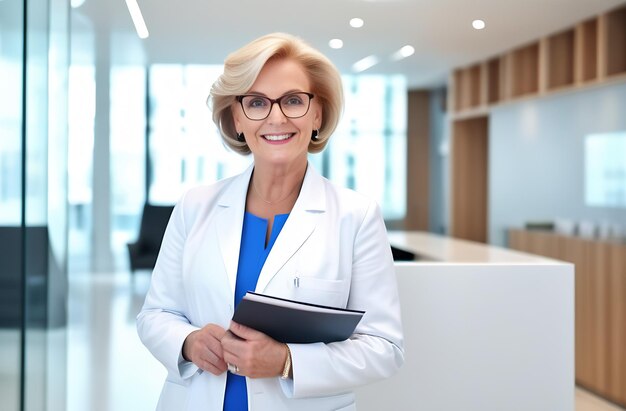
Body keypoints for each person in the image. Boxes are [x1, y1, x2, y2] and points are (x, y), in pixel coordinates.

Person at [137, 32, 404, 411]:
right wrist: (188, 342)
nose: (276, 117)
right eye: (257, 103)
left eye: (294, 100)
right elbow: (155, 314)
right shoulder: (195, 206)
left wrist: (285, 361)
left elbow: (384, 347)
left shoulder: (355, 216)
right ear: (236, 118)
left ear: (318, 114)